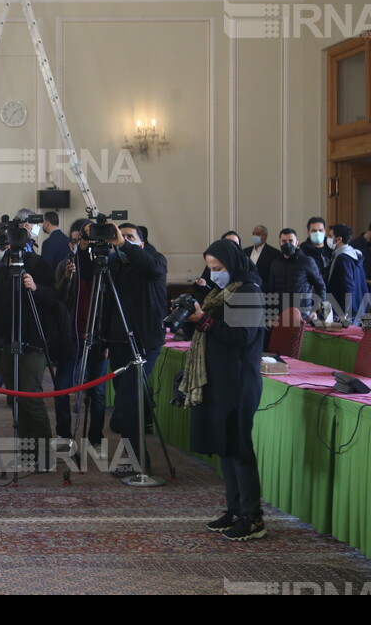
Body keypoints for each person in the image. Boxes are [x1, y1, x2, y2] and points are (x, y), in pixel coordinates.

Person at [180, 238, 267, 541]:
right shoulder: (220, 293)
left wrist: (203, 320)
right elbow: (212, 330)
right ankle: (234, 509)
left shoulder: (249, 291)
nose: (214, 273)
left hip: (240, 382)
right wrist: (191, 320)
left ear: (233, 264)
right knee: (226, 447)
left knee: (240, 448)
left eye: (219, 267)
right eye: (211, 268)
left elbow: (240, 336)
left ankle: (253, 517)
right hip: (220, 379)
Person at [0, 225, 59, 458]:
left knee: (31, 396)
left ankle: (44, 454)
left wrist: (35, 288)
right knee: (17, 397)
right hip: (5, 342)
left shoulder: (37, 264)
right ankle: (28, 450)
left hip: (32, 341)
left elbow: (53, 298)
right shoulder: (2, 270)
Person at [97, 222, 167, 477]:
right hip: (118, 343)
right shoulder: (115, 265)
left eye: (129, 237)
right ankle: (135, 457)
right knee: (127, 403)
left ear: (142, 242)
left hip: (145, 343)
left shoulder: (155, 261)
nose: (121, 240)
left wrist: (123, 244)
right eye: (119, 236)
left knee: (129, 401)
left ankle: (139, 460)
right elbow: (105, 301)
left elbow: (150, 266)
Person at [54, 219, 108, 450]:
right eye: (76, 241)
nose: (81, 245)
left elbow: (109, 305)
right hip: (71, 335)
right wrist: (67, 278)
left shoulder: (103, 267)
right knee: (62, 387)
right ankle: (64, 433)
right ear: (70, 243)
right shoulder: (63, 266)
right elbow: (57, 300)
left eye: (85, 240)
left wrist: (107, 339)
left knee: (96, 389)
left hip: (97, 334)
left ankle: (95, 435)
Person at [268, 228, 325, 320]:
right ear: (279, 242)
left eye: (291, 241)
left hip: (303, 314)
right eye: (284, 241)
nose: (287, 244)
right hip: (280, 314)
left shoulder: (307, 261)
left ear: (297, 242)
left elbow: (320, 286)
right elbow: (271, 291)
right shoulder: (275, 263)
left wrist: (316, 310)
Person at [327, 224, 369, 324]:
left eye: (330, 236)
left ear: (338, 239)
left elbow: (348, 286)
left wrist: (344, 312)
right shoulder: (353, 254)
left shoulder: (343, 258)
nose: (327, 239)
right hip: (357, 308)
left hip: (346, 312)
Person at [243, 225, 280, 293]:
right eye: (253, 234)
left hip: (264, 290)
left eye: (258, 234)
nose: (255, 236)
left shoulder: (274, 253)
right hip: (247, 290)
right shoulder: (245, 252)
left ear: (265, 236)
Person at [300, 217, 333, 281]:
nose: (317, 233)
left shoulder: (332, 248)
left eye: (320, 230)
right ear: (308, 232)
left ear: (325, 231)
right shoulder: (302, 250)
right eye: (314, 231)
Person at [40, 211, 70, 275]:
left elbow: (45, 267)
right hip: (67, 279)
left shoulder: (47, 243)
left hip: (53, 281)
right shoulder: (68, 240)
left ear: (47, 223)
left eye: (43, 223)